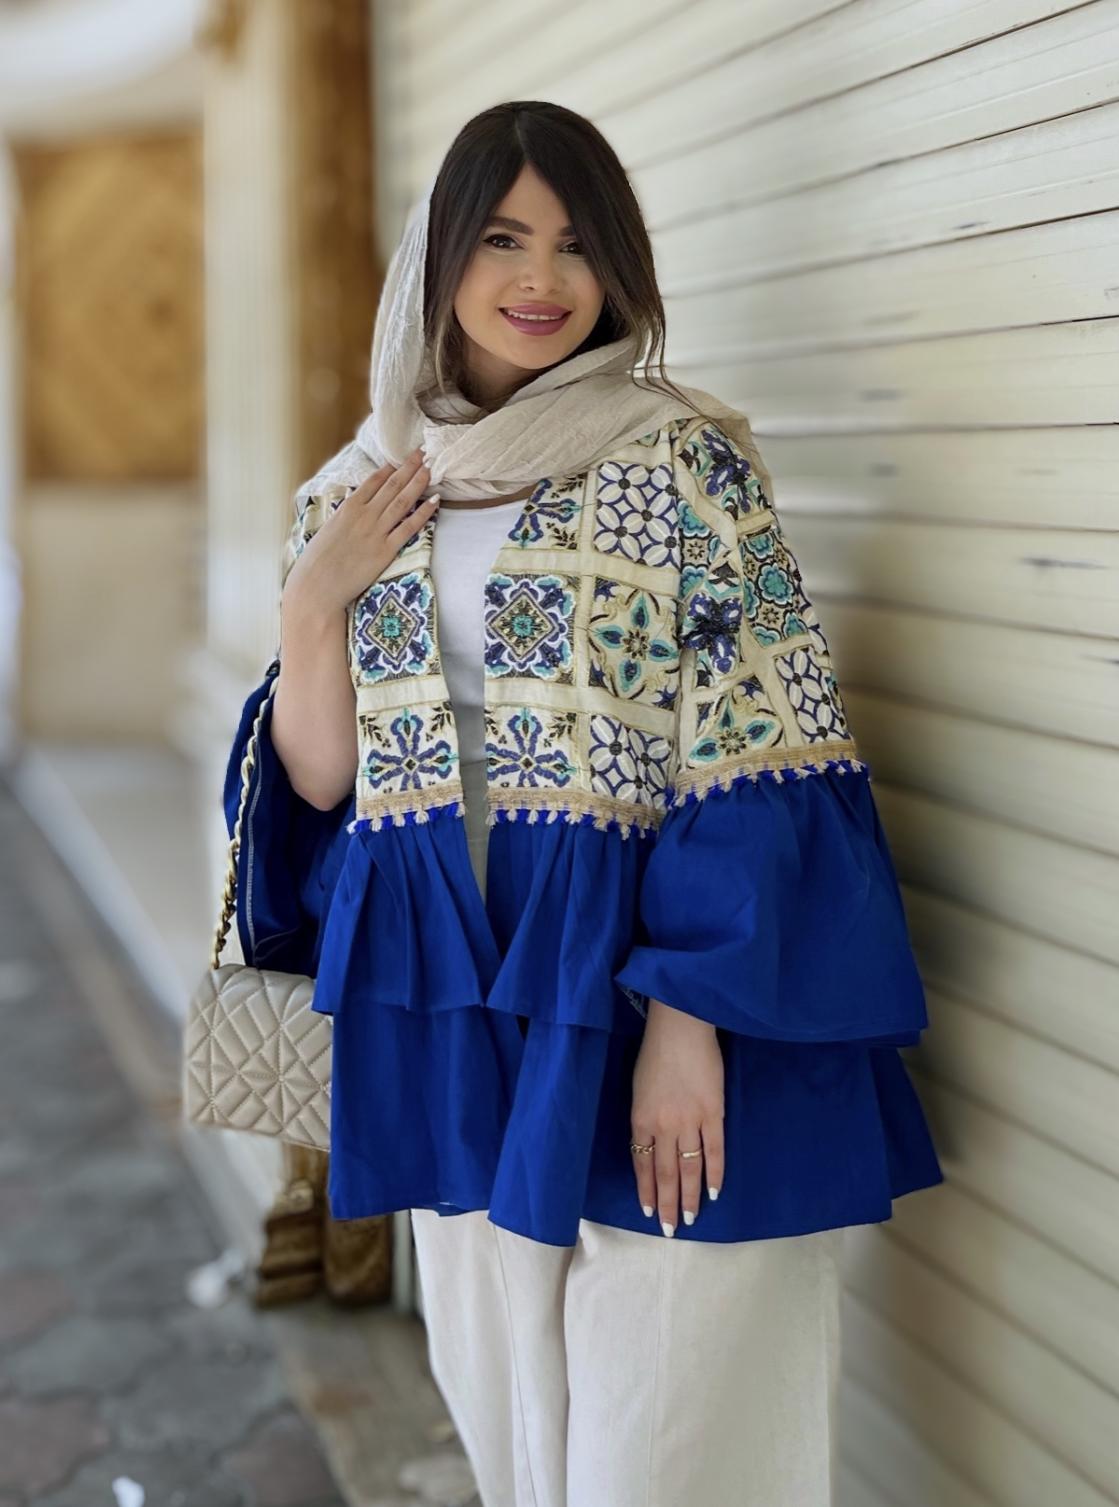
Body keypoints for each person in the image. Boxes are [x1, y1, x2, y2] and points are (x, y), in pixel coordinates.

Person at [224, 100, 942, 1507]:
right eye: (502, 239)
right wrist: (314, 609)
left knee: (669, 1448)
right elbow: (321, 783)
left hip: (656, 985)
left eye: (575, 243)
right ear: (438, 258)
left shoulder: (683, 463)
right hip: (456, 1000)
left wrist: (690, 1019)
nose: (542, 279)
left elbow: (762, 733)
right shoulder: (355, 495)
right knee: (513, 1440)